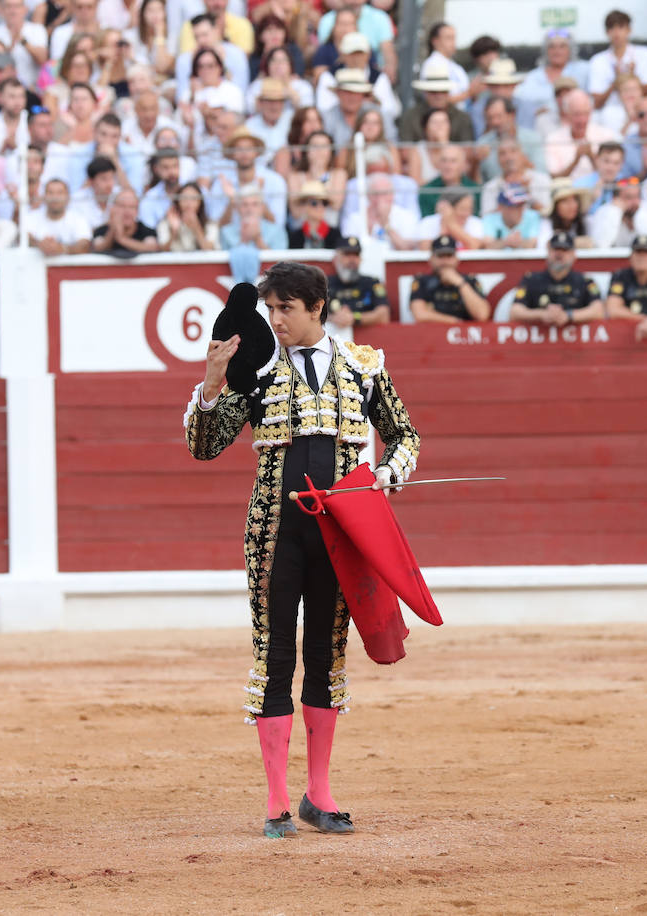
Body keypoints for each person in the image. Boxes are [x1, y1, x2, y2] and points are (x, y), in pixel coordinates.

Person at [184, 260, 420, 839]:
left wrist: (388, 473)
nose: (275, 320)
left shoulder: (364, 367)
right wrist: (211, 385)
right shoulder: (257, 371)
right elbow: (204, 446)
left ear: (317, 308)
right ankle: (275, 800)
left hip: (341, 534)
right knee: (274, 656)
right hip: (273, 530)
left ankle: (319, 794)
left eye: (285, 309)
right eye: (270, 309)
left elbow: (405, 436)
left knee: (326, 655)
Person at [509, 231, 603, 326]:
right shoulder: (531, 280)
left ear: (574, 255)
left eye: (564, 250)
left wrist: (568, 316)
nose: (559, 254)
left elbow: (598, 311)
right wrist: (541, 314)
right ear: (548, 252)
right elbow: (515, 312)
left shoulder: (584, 281)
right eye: (556, 249)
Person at [408, 235, 491, 323]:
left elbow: (482, 315)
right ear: (431, 259)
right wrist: (453, 321)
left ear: (456, 259)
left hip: (464, 335)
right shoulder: (422, 281)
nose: (445, 261)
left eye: (449, 256)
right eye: (440, 256)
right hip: (431, 334)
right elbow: (420, 315)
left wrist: (460, 283)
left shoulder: (470, 281)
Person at [325, 236, 389, 328]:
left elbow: (384, 315)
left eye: (356, 254)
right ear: (335, 259)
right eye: (347, 254)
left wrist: (355, 317)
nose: (352, 259)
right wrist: (333, 318)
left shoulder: (372, 283)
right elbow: (310, 315)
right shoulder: (324, 284)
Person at [26, 177, 92, 256]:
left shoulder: (79, 219)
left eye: (60, 193)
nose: (55, 197)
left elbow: (84, 245)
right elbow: (24, 237)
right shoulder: (31, 217)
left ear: (68, 197)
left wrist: (62, 248)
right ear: (44, 197)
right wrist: (39, 245)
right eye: (50, 192)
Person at [90, 186, 159, 256]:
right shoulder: (100, 231)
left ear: (137, 211)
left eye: (131, 207)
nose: (127, 211)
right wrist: (113, 232)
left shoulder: (147, 231)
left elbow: (152, 248)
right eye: (122, 206)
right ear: (113, 209)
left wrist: (122, 239)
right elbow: (97, 248)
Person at [482, 183, 540, 249]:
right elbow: (487, 246)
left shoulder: (533, 216)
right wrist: (506, 242)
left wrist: (517, 242)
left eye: (522, 204)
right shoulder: (490, 219)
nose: (520, 209)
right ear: (501, 207)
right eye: (515, 206)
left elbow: (533, 244)